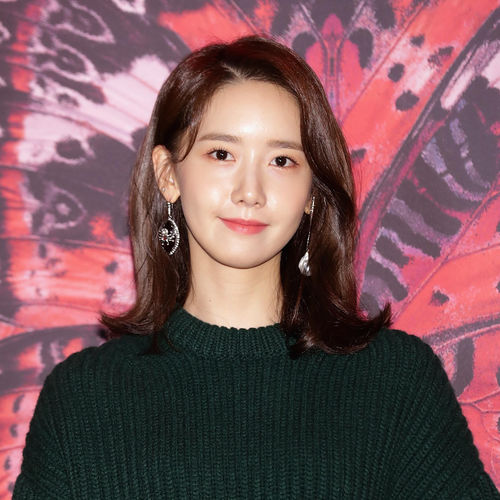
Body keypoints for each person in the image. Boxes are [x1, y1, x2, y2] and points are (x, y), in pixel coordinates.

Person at [13, 34, 499, 499]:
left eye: (282, 161)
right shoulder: (83, 397)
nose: (250, 191)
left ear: (312, 192)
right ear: (168, 175)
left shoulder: (395, 382)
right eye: (221, 154)